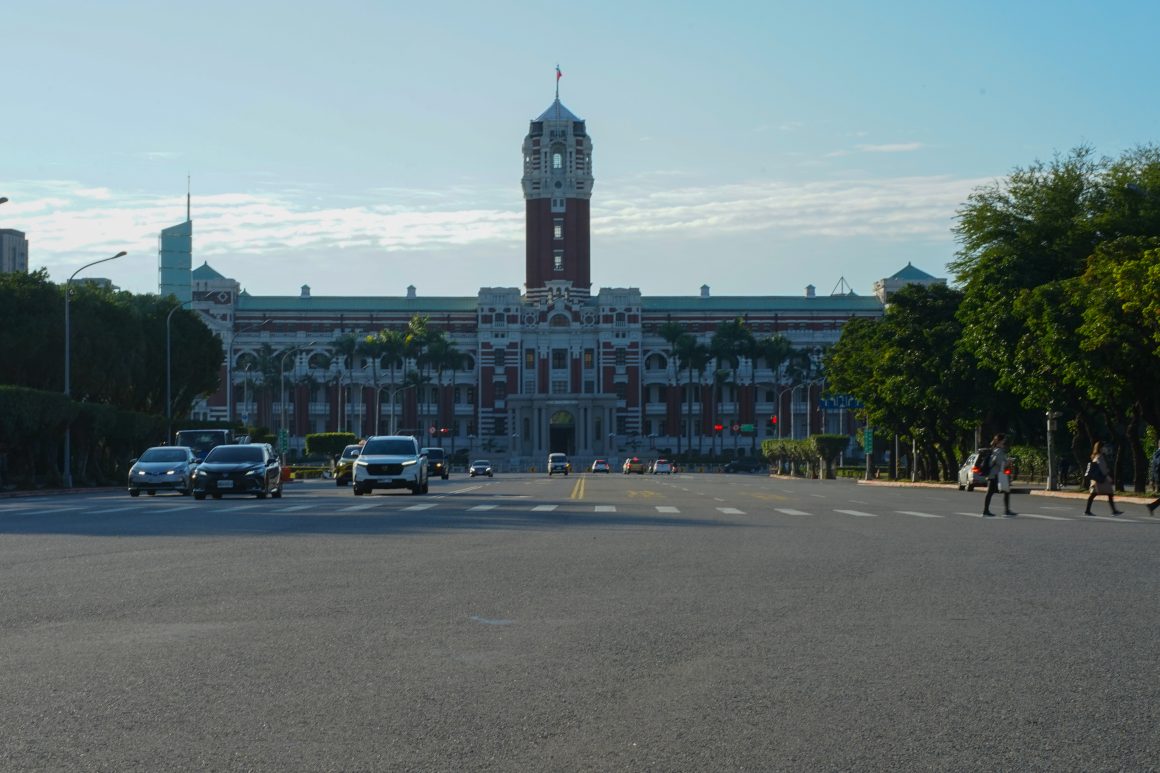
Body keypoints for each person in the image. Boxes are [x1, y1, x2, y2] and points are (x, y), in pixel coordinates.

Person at [1084, 441, 1122, 516]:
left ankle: (1087, 510)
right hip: (1101, 479)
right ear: (1100, 448)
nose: (1105, 448)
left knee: (1094, 494)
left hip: (1097, 479)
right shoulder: (1099, 456)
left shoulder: (1096, 456)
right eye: (1104, 447)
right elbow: (1102, 468)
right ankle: (1114, 511)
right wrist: (1107, 476)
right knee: (1109, 494)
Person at [982, 433, 1015, 517]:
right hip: (995, 475)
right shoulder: (999, 451)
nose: (1005, 442)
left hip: (994, 474)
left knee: (992, 492)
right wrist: (1009, 461)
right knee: (1004, 491)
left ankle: (986, 510)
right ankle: (1005, 510)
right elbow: (1000, 463)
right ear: (1001, 441)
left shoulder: (995, 450)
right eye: (1004, 440)